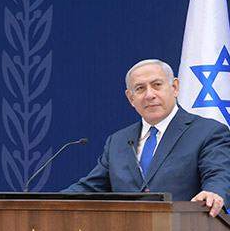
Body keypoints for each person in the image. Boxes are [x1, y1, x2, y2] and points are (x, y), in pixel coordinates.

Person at [63, 58, 230, 217]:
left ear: (175, 87)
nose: (150, 95)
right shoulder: (118, 141)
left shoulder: (208, 132)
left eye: (157, 85)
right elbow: (91, 188)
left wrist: (214, 193)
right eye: (140, 88)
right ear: (131, 98)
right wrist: (40, 204)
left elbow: (219, 175)